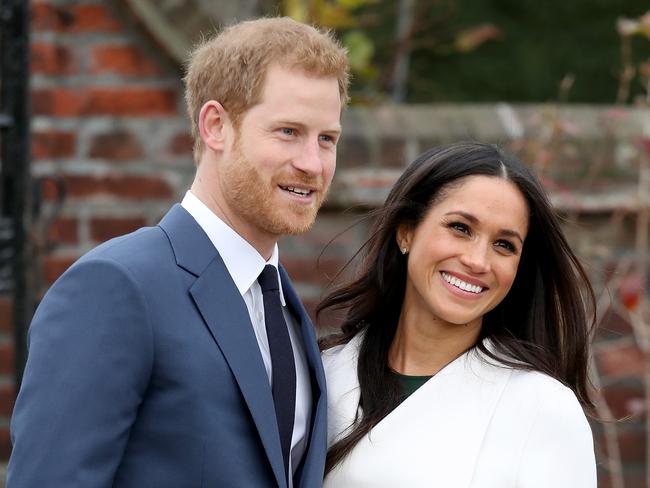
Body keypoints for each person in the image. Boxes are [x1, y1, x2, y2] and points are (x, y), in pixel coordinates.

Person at [8, 17, 349, 488]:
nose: (312, 163)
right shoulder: (117, 286)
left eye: (326, 138)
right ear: (215, 126)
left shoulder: (285, 309)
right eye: (288, 131)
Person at [319, 142, 597, 487]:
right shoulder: (321, 374)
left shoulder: (542, 408)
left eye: (504, 245)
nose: (478, 261)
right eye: (460, 228)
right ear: (406, 232)